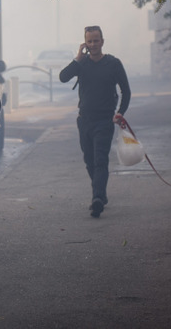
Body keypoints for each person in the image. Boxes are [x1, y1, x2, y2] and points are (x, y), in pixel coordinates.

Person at [59, 26, 132, 218]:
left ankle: (97, 198)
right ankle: (100, 193)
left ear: (102, 41)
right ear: (85, 43)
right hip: (84, 121)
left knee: (100, 159)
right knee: (89, 161)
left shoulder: (113, 63)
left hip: (104, 120)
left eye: (96, 40)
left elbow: (126, 90)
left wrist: (120, 113)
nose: (93, 44)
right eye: (89, 41)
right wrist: (77, 58)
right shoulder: (81, 64)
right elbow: (63, 77)